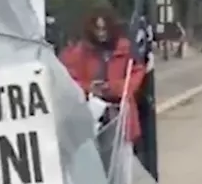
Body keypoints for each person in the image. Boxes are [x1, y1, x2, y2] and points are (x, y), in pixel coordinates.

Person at [59, 10, 147, 144]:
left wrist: (113, 87)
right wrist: (89, 87)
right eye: (97, 29)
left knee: (120, 157)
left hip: (120, 112)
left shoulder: (127, 49)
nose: (101, 33)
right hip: (90, 112)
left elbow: (135, 77)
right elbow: (68, 79)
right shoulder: (79, 52)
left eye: (104, 29)